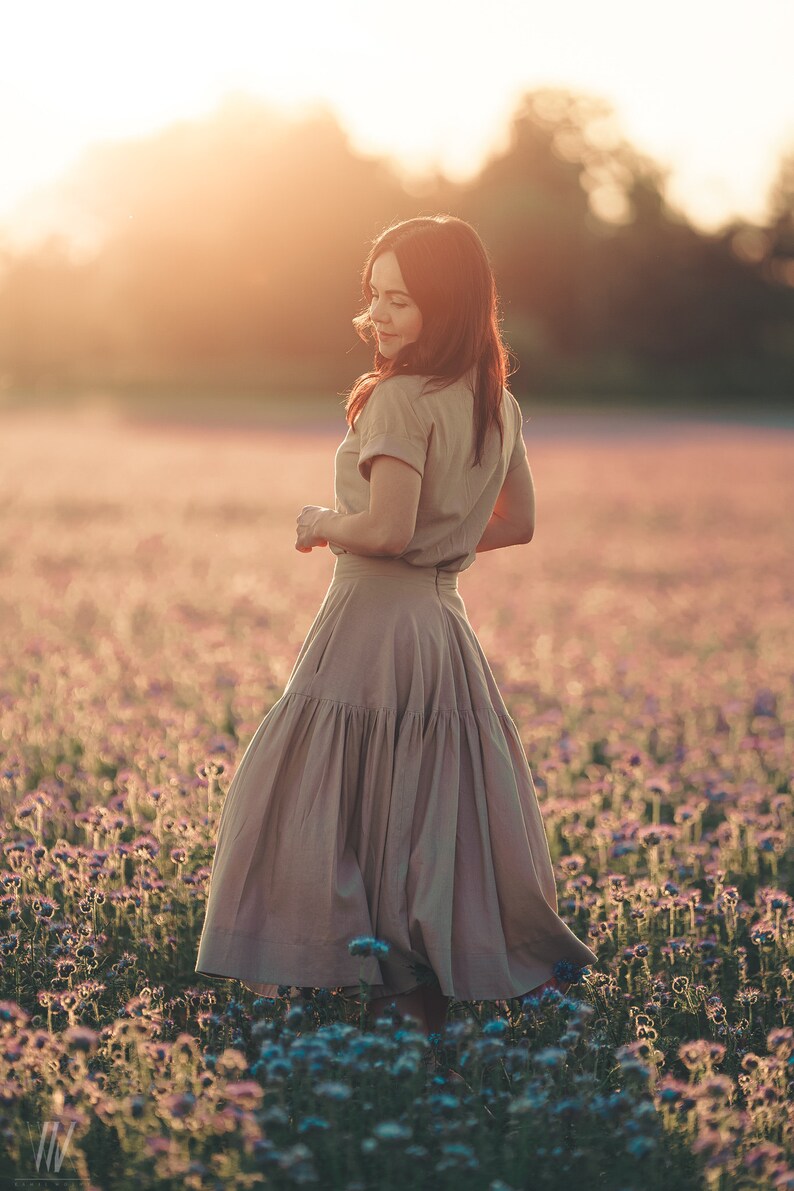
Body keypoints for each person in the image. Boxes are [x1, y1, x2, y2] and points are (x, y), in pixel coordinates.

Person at [194, 214, 598, 1039]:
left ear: (447, 309)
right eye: (374, 295)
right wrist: (443, 541)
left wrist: (321, 520)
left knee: (328, 794)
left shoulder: (398, 400)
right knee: (420, 805)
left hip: (371, 621)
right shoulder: (496, 401)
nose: (379, 316)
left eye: (401, 302)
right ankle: (419, 989)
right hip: (440, 626)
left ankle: (371, 981)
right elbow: (516, 522)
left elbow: (381, 527)